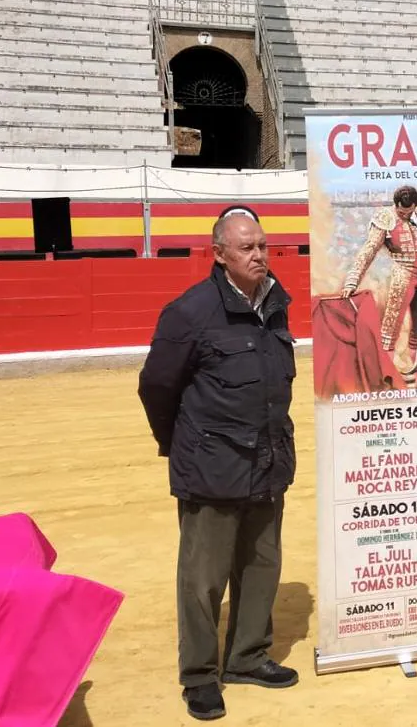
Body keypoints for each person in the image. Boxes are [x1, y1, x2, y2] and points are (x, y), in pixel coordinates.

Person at [138, 209, 300, 721]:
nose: (258, 255)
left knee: (261, 566)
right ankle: (201, 676)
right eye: (247, 248)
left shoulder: (276, 303)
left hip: (268, 457)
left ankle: (248, 656)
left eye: (263, 246)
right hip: (211, 465)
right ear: (220, 254)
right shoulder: (190, 312)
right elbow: (157, 388)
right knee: (203, 580)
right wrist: (183, 443)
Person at [340, 185, 417, 383]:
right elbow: (368, 251)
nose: (406, 215)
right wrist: (352, 280)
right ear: (395, 206)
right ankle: (386, 379)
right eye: (402, 212)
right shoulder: (385, 218)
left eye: (410, 211)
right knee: (390, 330)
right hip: (403, 275)